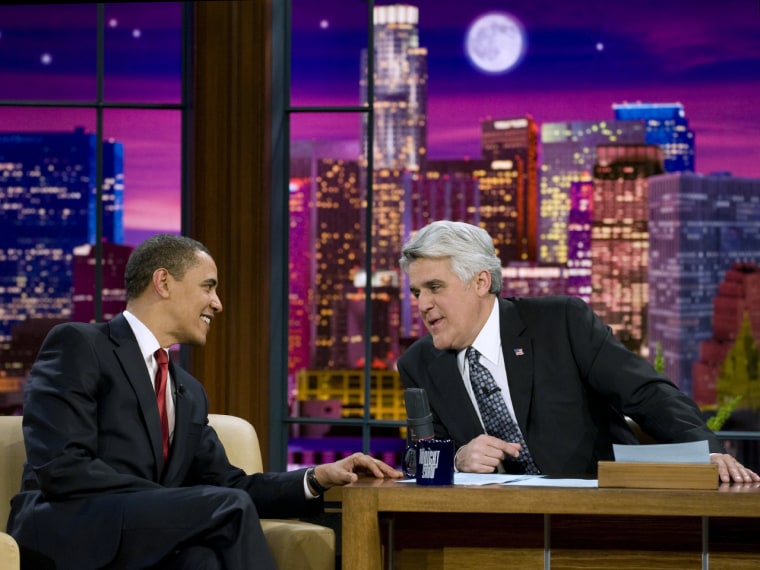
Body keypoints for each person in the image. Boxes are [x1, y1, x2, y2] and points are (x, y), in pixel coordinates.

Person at [7, 234, 402, 570]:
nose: (218, 303)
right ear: (163, 282)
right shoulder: (80, 344)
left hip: (147, 533)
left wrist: (316, 477)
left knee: (203, 558)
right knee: (225, 508)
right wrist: (175, 502)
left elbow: (229, 484)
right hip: (70, 526)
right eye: (208, 286)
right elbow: (62, 468)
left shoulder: (188, 392)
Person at [397, 220, 759, 485]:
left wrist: (707, 452)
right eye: (417, 293)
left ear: (480, 281)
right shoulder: (418, 364)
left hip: (596, 503)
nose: (424, 304)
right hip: (496, 521)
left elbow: (647, 393)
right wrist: (458, 459)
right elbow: (418, 463)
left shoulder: (560, 323)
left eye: (435, 287)